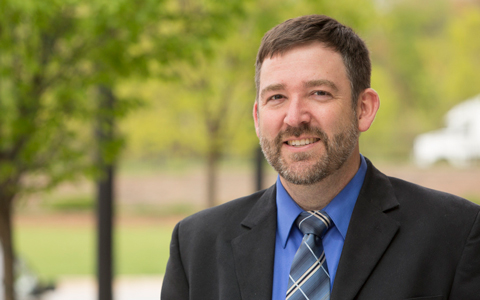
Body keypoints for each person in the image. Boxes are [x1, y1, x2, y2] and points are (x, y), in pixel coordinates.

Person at [161, 14, 480, 300]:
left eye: (319, 93)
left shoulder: (455, 234)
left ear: (363, 109)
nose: (295, 117)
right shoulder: (196, 246)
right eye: (277, 97)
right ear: (258, 118)